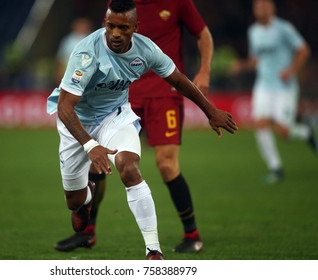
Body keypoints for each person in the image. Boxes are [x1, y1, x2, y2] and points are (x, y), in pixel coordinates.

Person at [47, 0, 237, 259]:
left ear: (136, 27)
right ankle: (85, 200)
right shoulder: (86, 53)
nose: (115, 33)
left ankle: (153, 250)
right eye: (111, 26)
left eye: (123, 28)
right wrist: (91, 146)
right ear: (105, 23)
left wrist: (210, 111)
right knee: (74, 202)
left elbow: (179, 81)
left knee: (129, 167)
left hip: (115, 116)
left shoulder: (147, 50)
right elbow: (65, 109)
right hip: (76, 122)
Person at [232, 0, 316, 184]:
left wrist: (291, 70)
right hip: (263, 86)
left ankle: (306, 132)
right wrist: (243, 65)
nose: (260, 9)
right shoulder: (253, 31)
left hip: (284, 87)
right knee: (261, 123)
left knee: (283, 132)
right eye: (257, 6)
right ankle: (275, 168)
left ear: (272, 8)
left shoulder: (284, 28)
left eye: (264, 5)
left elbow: (303, 50)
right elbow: (255, 60)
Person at [56, 17, 94, 81]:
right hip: (70, 72)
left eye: (84, 25)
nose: (82, 27)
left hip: (88, 73)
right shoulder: (68, 40)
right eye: (80, 25)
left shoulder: (93, 38)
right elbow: (61, 57)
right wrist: (58, 73)